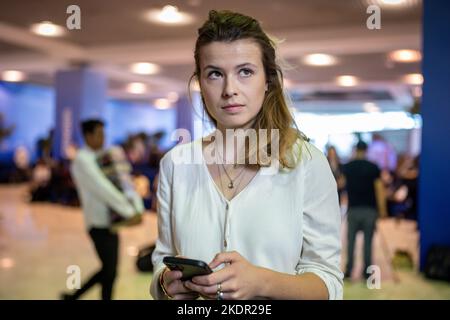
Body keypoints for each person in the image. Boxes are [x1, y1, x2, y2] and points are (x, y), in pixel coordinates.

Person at [150, 10, 343, 300]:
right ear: (201, 83)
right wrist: (166, 284)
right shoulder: (175, 165)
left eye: (245, 72)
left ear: (268, 81)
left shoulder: (306, 163)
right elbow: (162, 260)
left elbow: (329, 285)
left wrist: (262, 282)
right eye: (215, 74)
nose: (230, 90)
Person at [62, 119, 144, 300]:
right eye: (99, 134)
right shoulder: (82, 160)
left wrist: (136, 207)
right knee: (109, 270)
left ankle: (73, 296)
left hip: (110, 222)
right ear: (88, 136)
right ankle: (75, 296)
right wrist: (130, 212)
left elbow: (123, 181)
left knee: (109, 270)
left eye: (104, 134)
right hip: (97, 223)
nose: (103, 138)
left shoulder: (103, 155)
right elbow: (103, 189)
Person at [342, 140, 382, 280]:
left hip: (353, 209)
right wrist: (382, 211)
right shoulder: (373, 167)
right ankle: (366, 272)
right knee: (368, 242)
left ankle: (348, 270)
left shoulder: (348, 167)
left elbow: (340, 184)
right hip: (369, 209)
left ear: (355, 150)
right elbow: (379, 189)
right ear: (366, 150)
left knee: (351, 241)